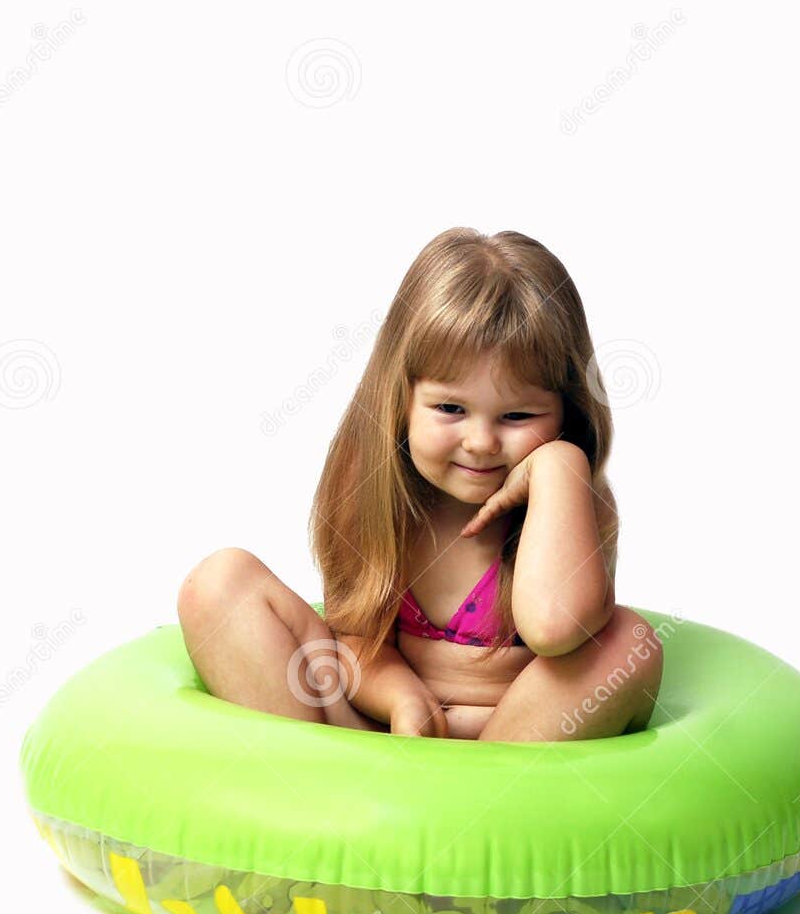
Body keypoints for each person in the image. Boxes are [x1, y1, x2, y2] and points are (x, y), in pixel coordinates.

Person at [177, 227, 663, 741]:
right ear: (402, 397)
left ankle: (473, 804)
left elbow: (553, 626)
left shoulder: (568, 495)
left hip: (513, 748)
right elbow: (356, 641)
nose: (480, 442)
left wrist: (558, 467)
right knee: (218, 582)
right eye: (450, 408)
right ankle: (320, 797)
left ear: (567, 410)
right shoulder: (369, 485)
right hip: (385, 736)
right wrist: (403, 699)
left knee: (629, 643)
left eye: (518, 415)